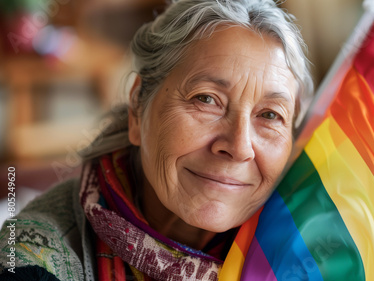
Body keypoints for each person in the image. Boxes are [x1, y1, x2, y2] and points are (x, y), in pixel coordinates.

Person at [0, 0, 313, 280]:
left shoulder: (311, 252)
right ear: (138, 107)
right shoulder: (34, 262)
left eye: (271, 115)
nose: (239, 146)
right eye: (206, 99)